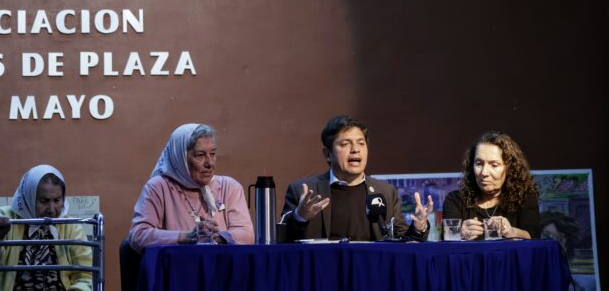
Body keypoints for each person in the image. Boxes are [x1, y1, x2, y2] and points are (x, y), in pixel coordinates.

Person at [280, 115, 433, 242]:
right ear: (327, 154)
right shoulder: (304, 191)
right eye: (345, 144)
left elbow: (402, 241)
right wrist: (300, 217)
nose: (355, 150)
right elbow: (280, 239)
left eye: (361, 143)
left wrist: (419, 226)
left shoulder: (385, 192)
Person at [128, 123, 254, 251]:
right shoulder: (158, 187)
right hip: (177, 268)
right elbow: (138, 235)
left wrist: (216, 238)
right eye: (200, 155)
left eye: (213, 153)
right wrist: (186, 237)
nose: (209, 163)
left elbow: (246, 234)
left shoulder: (229, 187)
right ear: (181, 158)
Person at [0, 164, 92, 291]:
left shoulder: (71, 227)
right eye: (44, 201)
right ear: (29, 197)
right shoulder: (5, 218)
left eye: (57, 200)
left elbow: (86, 275)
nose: (51, 210)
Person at [443, 131, 539, 240]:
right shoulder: (455, 200)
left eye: (494, 165)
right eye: (479, 163)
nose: (484, 173)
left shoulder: (524, 197)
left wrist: (512, 231)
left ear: (509, 168)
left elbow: (533, 236)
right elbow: (447, 243)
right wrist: (459, 234)